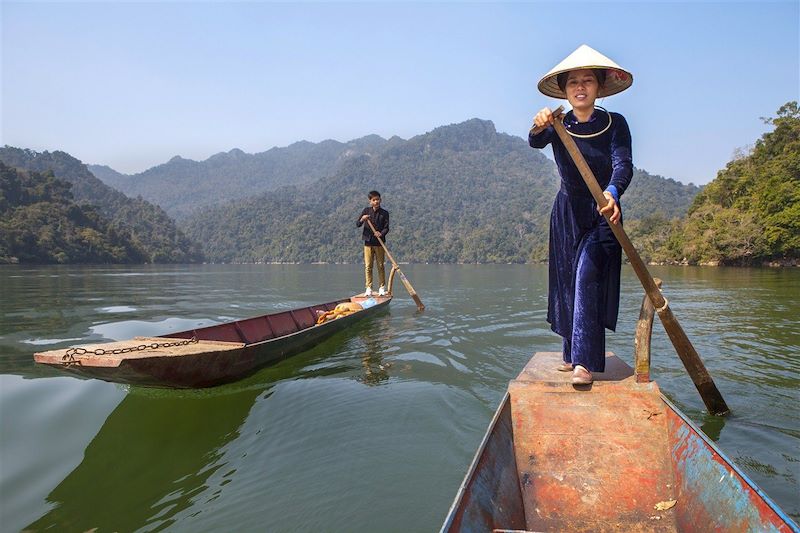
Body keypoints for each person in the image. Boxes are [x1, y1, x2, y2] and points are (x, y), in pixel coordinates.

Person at [529, 44, 634, 385]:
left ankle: (585, 363)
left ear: (599, 87)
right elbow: (535, 141)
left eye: (587, 81)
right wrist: (539, 122)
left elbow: (623, 165)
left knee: (587, 275)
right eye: (573, 82)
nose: (580, 87)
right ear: (564, 89)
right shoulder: (558, 123)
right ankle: (570, 351)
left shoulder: (615, 124)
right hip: (566, 212)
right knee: (566, 281)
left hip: (603, 211)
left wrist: (612, 192)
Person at [356, 190, 390, 296]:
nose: (376, 202)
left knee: (380, 265)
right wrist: (362, 219)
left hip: (379, 243)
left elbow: (386, 228)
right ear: (370, 201)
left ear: (380, 200)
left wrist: (381, 233)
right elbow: (357, 224)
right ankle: (369, 288)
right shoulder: (366, 211)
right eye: (374, 200)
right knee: (368, 266)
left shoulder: (384, 213)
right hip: (368, 242)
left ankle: (381, 287)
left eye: (378, 199)